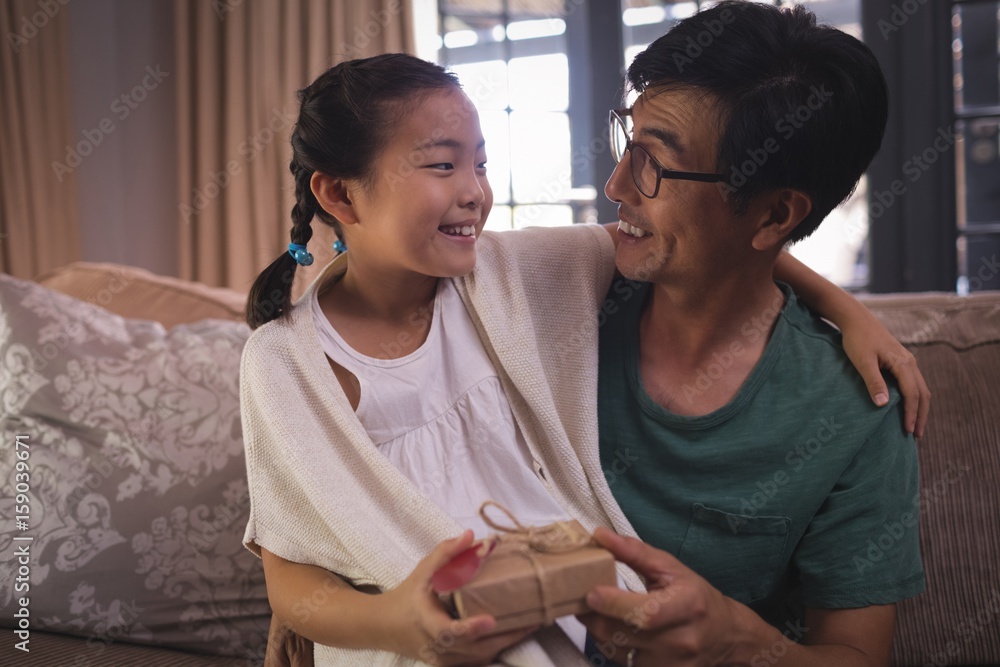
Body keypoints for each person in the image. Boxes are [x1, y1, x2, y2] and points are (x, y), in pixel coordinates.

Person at [240, 52, 927, 666]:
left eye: (479, 162)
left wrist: (847, 308)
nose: (474, 189)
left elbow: (713, 247)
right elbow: (293, 578)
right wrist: (403, 623)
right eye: (442, 164)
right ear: (337, 193)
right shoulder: (285, 364)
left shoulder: (510, 281)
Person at [578, 3, 926, 666]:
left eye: (655, 163)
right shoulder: (563, 303)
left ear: (773, 213)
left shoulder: (857, 409)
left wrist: (740, 640)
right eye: (629, 140)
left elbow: (858, 655)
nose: (616, 183)